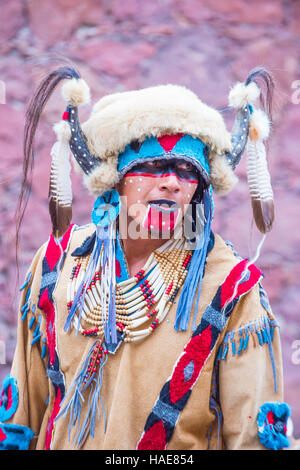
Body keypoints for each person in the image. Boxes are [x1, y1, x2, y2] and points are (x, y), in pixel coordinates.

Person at [0, 65, 292, 451]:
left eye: (188, 169)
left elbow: (251, 440)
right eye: (152, 165)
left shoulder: (231, 288)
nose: (171, 181)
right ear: (115, 178)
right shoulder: (58, 264)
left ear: (200, 190)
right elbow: (22, 421)